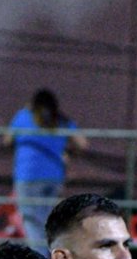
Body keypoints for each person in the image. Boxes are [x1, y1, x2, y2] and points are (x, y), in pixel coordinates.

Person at [5, 88, 87, 247]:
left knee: (32, 222)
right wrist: (69, 152)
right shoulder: (61, 121)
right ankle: (56, 257)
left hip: (27, 177)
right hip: (53, 177)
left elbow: (7, 140)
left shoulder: (23, 117)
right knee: (49, 222)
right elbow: (83, 143)